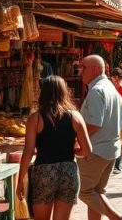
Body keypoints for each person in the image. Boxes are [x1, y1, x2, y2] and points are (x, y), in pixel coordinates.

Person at [16, 76, 93, 220]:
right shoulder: (75, 117)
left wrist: (20, 180)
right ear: (64, 92)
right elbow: (87, 151)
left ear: (42, 93)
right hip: (68, 172)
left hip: (44, 173)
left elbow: (28, 152)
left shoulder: (36, 118)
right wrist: (73, 151)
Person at [77, 55, 122, 220]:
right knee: (96, 192)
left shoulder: (97, 90)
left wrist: (76, 138)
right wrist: (117, 146)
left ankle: (117, 218)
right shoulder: (109, 87)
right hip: (108, 151)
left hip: (96, 151)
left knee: (84, 191)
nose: (80, 71)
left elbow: (94, 123)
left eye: (84, 67)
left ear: (94, 69)